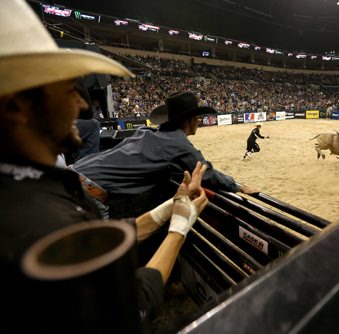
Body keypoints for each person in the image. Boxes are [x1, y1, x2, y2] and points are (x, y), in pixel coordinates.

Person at [0, 1, 208, 331]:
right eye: (68, 89)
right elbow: (132, 308)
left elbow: (98, 238)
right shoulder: (43, 223)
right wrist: (179, 229)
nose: (82, 103)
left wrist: (170, 208)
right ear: (16, 108)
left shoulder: (26, 191)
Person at [73, 90, 258, 218]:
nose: (199, 122)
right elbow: (205, 173)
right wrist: (238, 186)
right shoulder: (178, 145)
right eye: (198, 118)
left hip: (72, 175)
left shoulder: (146, 132)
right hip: (89, 193)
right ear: (190, 120)